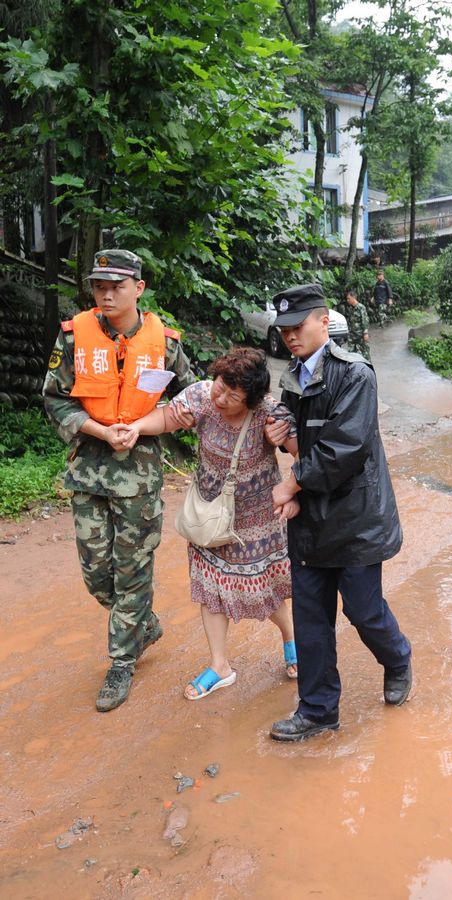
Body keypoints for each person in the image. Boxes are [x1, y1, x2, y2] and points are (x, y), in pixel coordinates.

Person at [43, 249, 195, 712]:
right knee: (97, 576)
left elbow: (191, 401)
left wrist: (144, 425)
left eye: (117, 286)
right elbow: (55, 400)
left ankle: (121, 661)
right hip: (88, 469)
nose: (107, 294)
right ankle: (143, 624)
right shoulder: (73, 337)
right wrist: (101, 429)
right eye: (99, 287)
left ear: (139, 289)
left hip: (140, 473)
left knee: (132, 569)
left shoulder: (165, 342)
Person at [265, 283, 412, 741]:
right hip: (312, 520)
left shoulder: (355, 376)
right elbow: (299, 441)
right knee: (311, 617)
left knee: (364, 612)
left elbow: (344, 448)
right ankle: (317, 710)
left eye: (298, 325)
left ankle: (398, 658)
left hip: (356, 518)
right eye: (284, 329)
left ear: (323, 321)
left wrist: (291, 483)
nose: (290, 335)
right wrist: (284, 443)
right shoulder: (291, 377)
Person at [120, 347, 300, 698]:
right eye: (221, 385)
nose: (221, 397)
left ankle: (292, 639)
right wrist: (137, 427)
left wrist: (293, 493)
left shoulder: (269, 413)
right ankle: (220, 666)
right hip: (210, 514)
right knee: (211, 587)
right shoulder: (203, 395)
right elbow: (168, 417)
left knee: (266, 588)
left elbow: (303, 455)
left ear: (251, 400)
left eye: (234, 395)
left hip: (257, 520)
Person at [345, 290, 371, 361]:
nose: (347, 300)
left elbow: (364, 320)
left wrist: (365, 333)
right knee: (351, 353)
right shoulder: (350, 308)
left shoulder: (361, 307)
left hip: (360, 334)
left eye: (349, 298)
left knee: (365, 353)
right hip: (352, 335)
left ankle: (368, 367)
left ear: (354, 297)